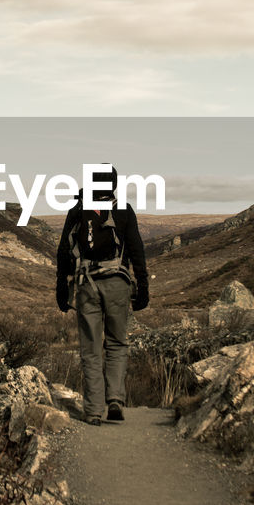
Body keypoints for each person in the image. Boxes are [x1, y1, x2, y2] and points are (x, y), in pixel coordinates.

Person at [55, 165, 149, 425]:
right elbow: (137, 250)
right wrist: (143, 286)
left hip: (87, 285)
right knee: (117, 343)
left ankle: (94, 410)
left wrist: (62, 288)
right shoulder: (124, 210)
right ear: (114, 184)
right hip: (118, 284)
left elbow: (63, 251)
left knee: (91, 348)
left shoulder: (78, 210)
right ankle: (115, 399)